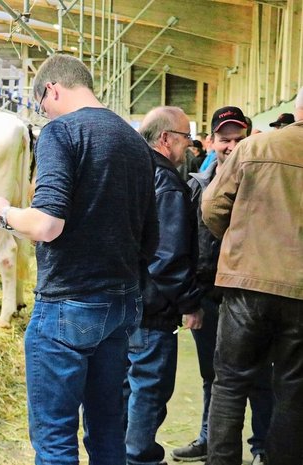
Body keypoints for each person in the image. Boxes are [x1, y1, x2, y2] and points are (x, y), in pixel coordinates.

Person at [0, 53, 159, 465]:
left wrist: (2, 214)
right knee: (107, 428)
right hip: (121, 303)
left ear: (52, 90)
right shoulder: (134, 140)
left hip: (68, 305)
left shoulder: (61, 132)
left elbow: (46, 224)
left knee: (56, 438)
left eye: (42, 105)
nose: (44, 113)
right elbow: (150, 236)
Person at [202, 89, 303, 465]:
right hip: (300, 292)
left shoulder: (255, 148)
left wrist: (238, 238)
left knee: (229, 383)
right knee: (293, 389)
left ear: (297, 109)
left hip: (246, 284)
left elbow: (212, 206)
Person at [171, 106, 273, 465]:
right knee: (211, 374)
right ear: (211, 141)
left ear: (248, 140)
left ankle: (262, 445)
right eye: (224, 139)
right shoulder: (197, 186)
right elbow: (185, 244)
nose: (231, 146)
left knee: (260, 375)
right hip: (210, 297)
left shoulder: (264, 182)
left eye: (238, 139)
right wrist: (190, 302)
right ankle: (209, 437)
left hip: (250, 297)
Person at [126, 106, 203, 465]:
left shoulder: (126, 173)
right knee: (149, 390)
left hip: (119, 302)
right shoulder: (167, 182)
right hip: (152, 308)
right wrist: (189, 302)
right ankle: (139, 459)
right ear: (166, 138)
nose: (190, 146)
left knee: (123, 388)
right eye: (186, 137)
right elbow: (167, 255)